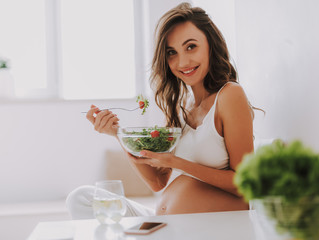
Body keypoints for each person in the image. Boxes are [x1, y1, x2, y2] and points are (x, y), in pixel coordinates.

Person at [66, 2, 256, 219]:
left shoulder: (230, 95)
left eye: (191, 46)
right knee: (80, 198)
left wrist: (175, 162)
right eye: (171, 52)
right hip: (164, 222)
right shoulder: (181, 106)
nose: (182, 61)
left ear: (210, 45)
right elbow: (158, 182)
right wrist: (119, 133)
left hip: (208, 226)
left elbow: (244, 184)